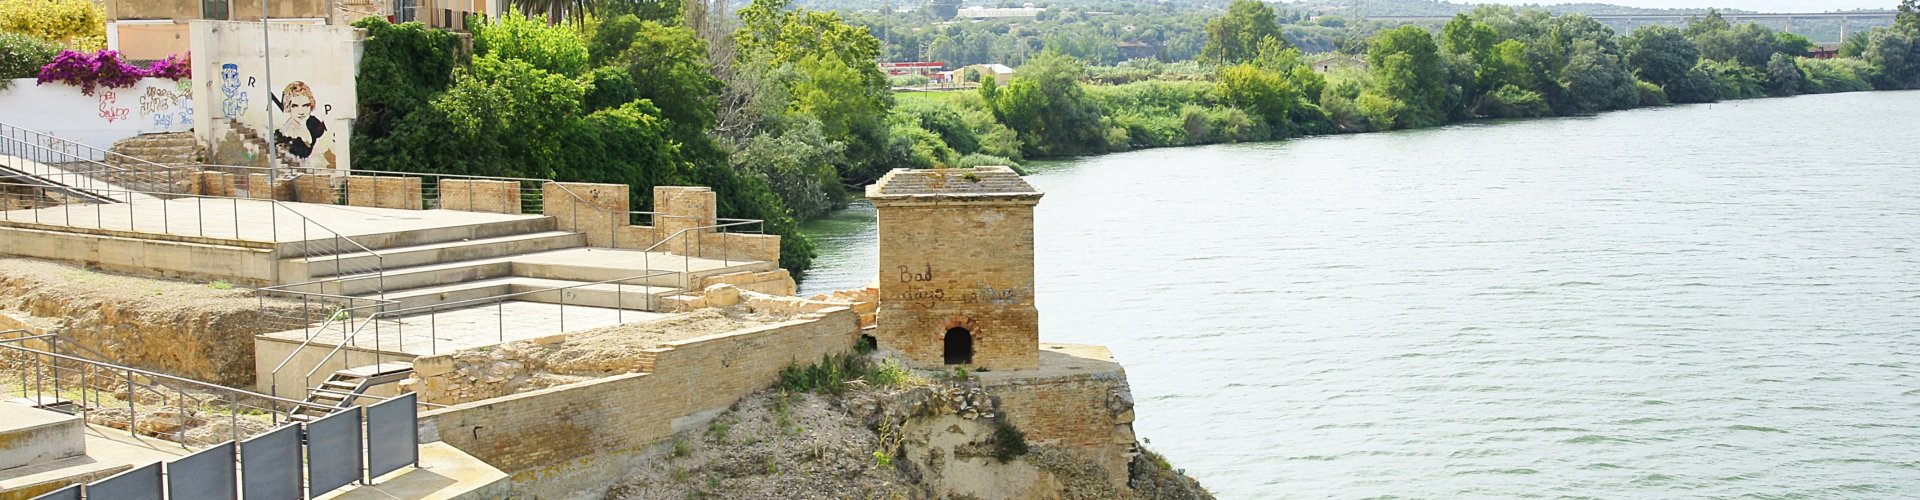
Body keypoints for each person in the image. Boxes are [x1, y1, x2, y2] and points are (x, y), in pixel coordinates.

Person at [271, 82, 334, 172]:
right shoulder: (283, 134)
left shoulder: (315, 123)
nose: (301, 111)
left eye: (305, 105)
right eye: (295, 106)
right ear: (288, 107)